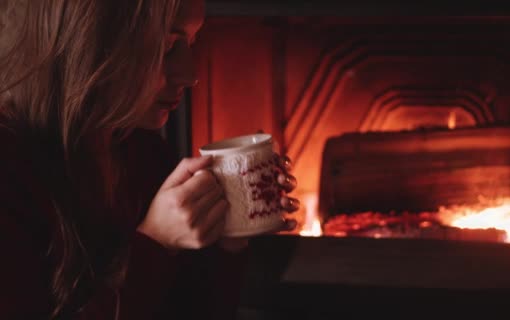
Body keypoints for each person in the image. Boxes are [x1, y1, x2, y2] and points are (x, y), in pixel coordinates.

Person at [0, 0, 299, 319]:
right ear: (92, 44)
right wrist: (156, 242)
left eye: (192, 43)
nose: (190, 74)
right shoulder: (10, 169)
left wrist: (229, 235)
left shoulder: (143, 153)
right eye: (168, 47)